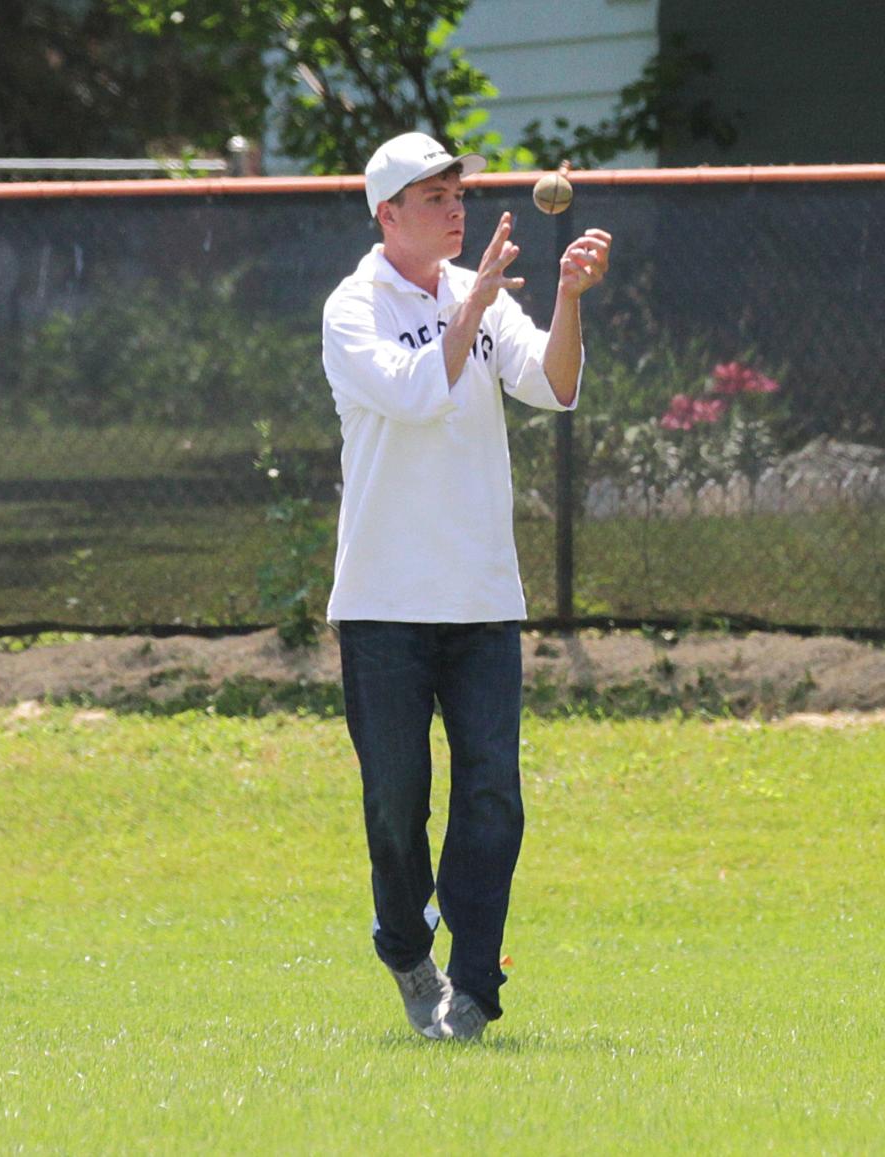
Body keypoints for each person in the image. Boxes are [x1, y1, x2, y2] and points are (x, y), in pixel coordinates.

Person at [322, 131, 610, 1040]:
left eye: (457, 191)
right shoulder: (352, 308)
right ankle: (409, 948)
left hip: (482, 597)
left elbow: (553, 385)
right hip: (383, 603)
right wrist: (475, 299)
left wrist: (564, 297)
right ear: (389, 214)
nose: (455, 206)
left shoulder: (473, 294)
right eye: (435, 196)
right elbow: (415, 392)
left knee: (493, 796)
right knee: (396, 801)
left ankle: (475, 988)